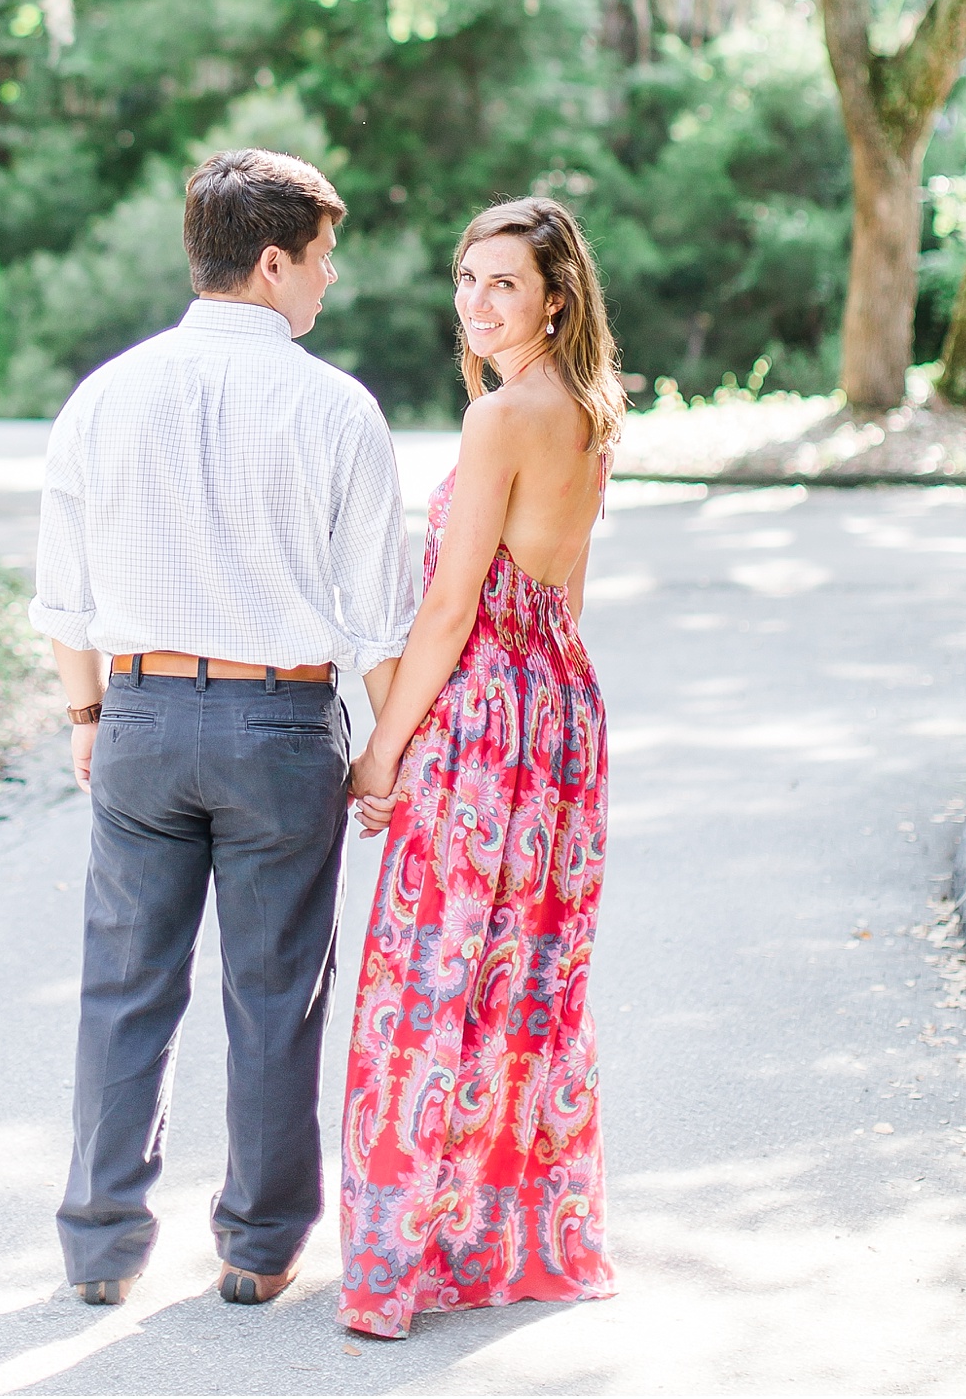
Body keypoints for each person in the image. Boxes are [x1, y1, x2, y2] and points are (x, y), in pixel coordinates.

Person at [30, 147, 416, 1313]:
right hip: (281, 724)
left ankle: (101, 1244)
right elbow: (378, 616)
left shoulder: (104, 394)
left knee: (124, 987)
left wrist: (89, 714)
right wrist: (386, 748)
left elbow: (63, 590)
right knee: (275, 992)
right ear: (271, 260)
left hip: (142, 710)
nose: (328, 283)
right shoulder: (337, 407)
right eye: (322, 260)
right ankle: (257, 1244)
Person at [340, 195, 624, 1340]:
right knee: (527, 980)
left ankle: (408, 1254)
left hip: (490, 719)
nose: (477, 300)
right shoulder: (594, 410)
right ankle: (499, 1235)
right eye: (466, 277)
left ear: (557, 298)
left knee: (437, 974)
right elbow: (568, 591)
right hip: (560, 713)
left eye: (504, 282)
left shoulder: (502, 418)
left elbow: (453, 606)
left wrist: (382, 750)